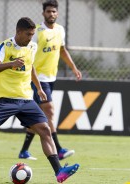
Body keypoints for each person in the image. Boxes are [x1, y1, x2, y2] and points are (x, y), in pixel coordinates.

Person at [0, 17, 79, 183]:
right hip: (3, 99)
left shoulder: (32, 46)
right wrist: (11, 64)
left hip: (25, 98)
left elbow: (31, 67)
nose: (30, 38)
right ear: (18, 32)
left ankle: (59, 172)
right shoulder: (5, 46)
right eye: (27, 34)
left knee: (45, 129)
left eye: (32, 35)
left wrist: (38, 88)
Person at [18, 0, 82, 161]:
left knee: (39, 116)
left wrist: (74, 68)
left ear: (57, 13)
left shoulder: (60, 30)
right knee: (50, 111)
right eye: (48, 12)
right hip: (38, 78)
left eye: (54, 11)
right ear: (43, 13)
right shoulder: (38, 32)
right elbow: (26, 49)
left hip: (51, 77)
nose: (51, 14)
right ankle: (59, 150)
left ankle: (24, 151)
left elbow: (62, 49)